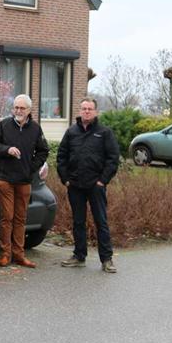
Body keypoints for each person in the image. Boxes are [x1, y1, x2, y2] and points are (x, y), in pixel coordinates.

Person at [56, 97, 120, 273]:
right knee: (78, 222)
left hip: (95, 185)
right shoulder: (71, 132)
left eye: (90, 109)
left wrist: (102, 181)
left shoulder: (104, 133)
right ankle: (79, 256)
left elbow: (113, 159)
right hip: (75, 185)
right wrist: (65, 179)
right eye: (84, 108)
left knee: (101, 222)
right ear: (80, 111)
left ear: (95, 112)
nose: (86, 111)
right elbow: (61, 157)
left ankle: (106, 259)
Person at [0, 94, 49, 269]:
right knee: (7, 217)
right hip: (5, 179)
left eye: (22, 108)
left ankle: (19, 255)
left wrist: (31, 167)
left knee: (21, 218)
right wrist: (7, 150)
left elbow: (43, 151)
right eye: (16, 107)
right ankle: (5, 254)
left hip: (24, 180)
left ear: (29, 110)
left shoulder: (35, 129)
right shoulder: (4, 125)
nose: (18, 111)